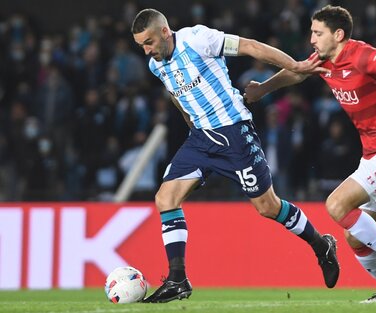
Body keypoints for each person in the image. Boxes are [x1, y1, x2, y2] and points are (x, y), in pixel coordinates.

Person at [130, 8, 340, 303]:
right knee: (165, 198)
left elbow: (251, 46)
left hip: (234, 133)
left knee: (267, 207)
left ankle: (321, 246)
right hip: (201, 139)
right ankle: (178, 279)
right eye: (141, 45)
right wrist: (192, 123)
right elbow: (177, 94)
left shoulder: (199, 39)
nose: (147, 50)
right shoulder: (157, 64)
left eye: (149, 42)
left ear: (165, 31)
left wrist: (296, 65)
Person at [244, 5, 376, 303]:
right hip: (375, 155)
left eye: (317, 33)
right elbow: (297, 73)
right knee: (355, 234)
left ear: (338, 35)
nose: (312, 39)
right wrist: (263, 89)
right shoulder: (324, 59)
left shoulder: (361, 55)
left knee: (336, 204)